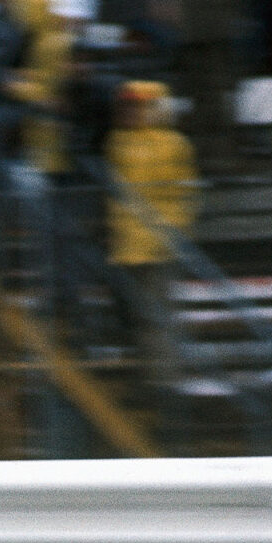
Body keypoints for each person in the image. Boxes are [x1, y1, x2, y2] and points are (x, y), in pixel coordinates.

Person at [105, 79, 197, 395]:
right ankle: (150, 379)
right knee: (139, 316)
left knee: (157, 315)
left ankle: (165, 381)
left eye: (136, 105)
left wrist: (171, 235)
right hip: (127, 246)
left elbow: (181, 196)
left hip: (158, 247)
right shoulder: (117, 142)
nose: (129, 111)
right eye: (126, 105)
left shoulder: (174, 144)